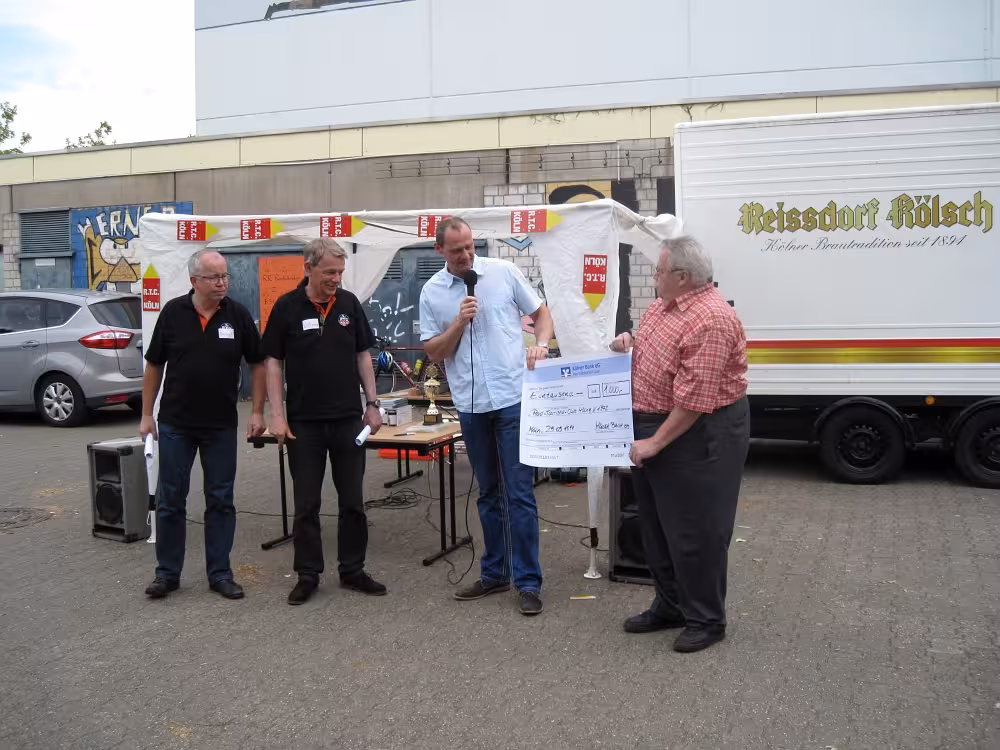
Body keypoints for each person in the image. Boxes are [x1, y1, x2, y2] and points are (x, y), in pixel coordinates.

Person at [609, 235, 750, 652]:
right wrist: (628, 344)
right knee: (656, 527)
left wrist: (654, 442)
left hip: (696, 431)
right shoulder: (663, 306)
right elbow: (658, 353)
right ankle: (670, 604)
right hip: (660, 426)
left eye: (659, 270)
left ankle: (707, 619)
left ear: (683, 277)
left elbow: (695, 400)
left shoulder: (711, 319)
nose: (654, 276)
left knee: (697, 532)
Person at [419, 217, 554, 616]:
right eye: (456, 250)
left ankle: (528, 582)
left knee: (519, 493)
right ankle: (495, 573)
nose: (466, 255)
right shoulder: (432, 292)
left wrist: (541, 344)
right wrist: (459, 322)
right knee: (488, 493)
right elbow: (434, 353)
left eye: (469, 246)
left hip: (512, 397)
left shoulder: (503, 272)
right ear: (439, 250)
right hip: (471, 404)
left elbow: (542, 314)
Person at [262, 238, 385, 605]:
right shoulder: (286, 306)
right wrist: (276, 415)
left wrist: (373, 404)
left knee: (353, 502)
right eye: (329, 272)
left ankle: (353, 570)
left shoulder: (348, 304)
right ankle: (308, 574)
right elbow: (273, 362)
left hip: (348, 419)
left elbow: (363, 355)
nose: (335, 278)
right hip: (304, 423)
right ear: (309, 268)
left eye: (340, 272)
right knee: (306, 505)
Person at [140, 249, 266, 600]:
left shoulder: (237, 315)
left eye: (225, 275)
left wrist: (258, 411)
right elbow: (154, 365)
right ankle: (167, 574)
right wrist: (147, 414)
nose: (222, 282)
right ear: (194, 280)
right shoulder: (173, 313)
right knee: (171, 499)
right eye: (214, 277)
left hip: (220, 425)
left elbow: (258, 364)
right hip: (176, 423)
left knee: (221, 500)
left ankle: (220, 573)